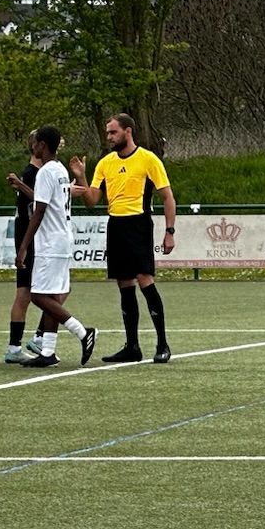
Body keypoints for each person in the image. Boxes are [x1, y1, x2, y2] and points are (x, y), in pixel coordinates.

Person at [75, 112, 176, 364]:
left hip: (138, 224)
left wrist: (169, 231)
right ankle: (132, 346)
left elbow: (167, 197)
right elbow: (91, 201)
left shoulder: (147, 159)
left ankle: (162, 343)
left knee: (145, 280)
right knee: (124, 284)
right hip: (115, 225)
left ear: (127, 131)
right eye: (108, 132)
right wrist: (81, 176)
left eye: (113, 132)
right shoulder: (105, 163)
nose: (109, 137)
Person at [17, 125, 97, 368]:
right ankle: (48, 351)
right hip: (62, 238)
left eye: (36, 142)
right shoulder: (60, 169)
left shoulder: (45, 172)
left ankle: (83, 332)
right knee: (52, 295)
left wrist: (23, 247)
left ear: (42, 145)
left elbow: (38, 211)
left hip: (50, 242)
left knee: (38, 296)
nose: (33, 146)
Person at [3, 132, 50, 364]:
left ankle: (23, 343)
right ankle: (24, 343)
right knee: (26, 293)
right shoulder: (32, 174)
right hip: (28, 239)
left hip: (30, 238)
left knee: (29, 292)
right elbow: (39, 202)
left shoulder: (36, 173)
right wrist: (22, 185)